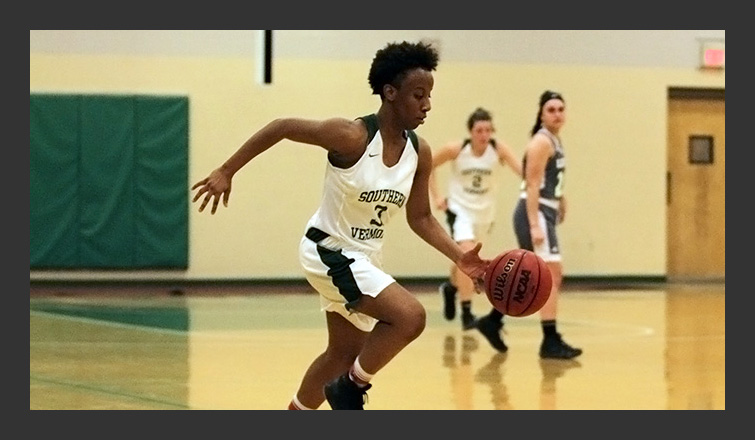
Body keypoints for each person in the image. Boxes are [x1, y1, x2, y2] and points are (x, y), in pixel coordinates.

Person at [190, 41, 489, 410]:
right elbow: (283, 126)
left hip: (364, 258)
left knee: (342, 354)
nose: (427, 104)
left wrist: (462, 258)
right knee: (410, 317)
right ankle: (350, 389)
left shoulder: (419, 152)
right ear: (390, 93)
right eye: (418, 95)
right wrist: (226, 170)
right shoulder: (351, 137)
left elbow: (421, 218)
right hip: (329, 251)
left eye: (429, 95)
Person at [475, 90, 582, 360]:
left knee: (535, 273)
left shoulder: (554, 140)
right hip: (534, 213)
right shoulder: (541, 142)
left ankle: (493, 320)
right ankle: (550, 339)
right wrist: (535, 224)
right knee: (551, 275)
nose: (557, 114)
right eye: (551, 110)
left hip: (545, 209)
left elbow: (549, 180)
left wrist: (561, 199)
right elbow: (531, 183)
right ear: (541, 114)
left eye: (561, 109)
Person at [428, 108, 522, 330]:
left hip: (484, 215)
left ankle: (450, 288)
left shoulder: (498, 150)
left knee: (462, 261)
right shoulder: (457, 149)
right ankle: (467, 313)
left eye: (488, 130)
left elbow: (524, 172)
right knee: (469, 255)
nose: (484, 134)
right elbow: (428, 165)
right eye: (479, 130)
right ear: (470, 132)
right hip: (460, 211)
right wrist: (437, 196)